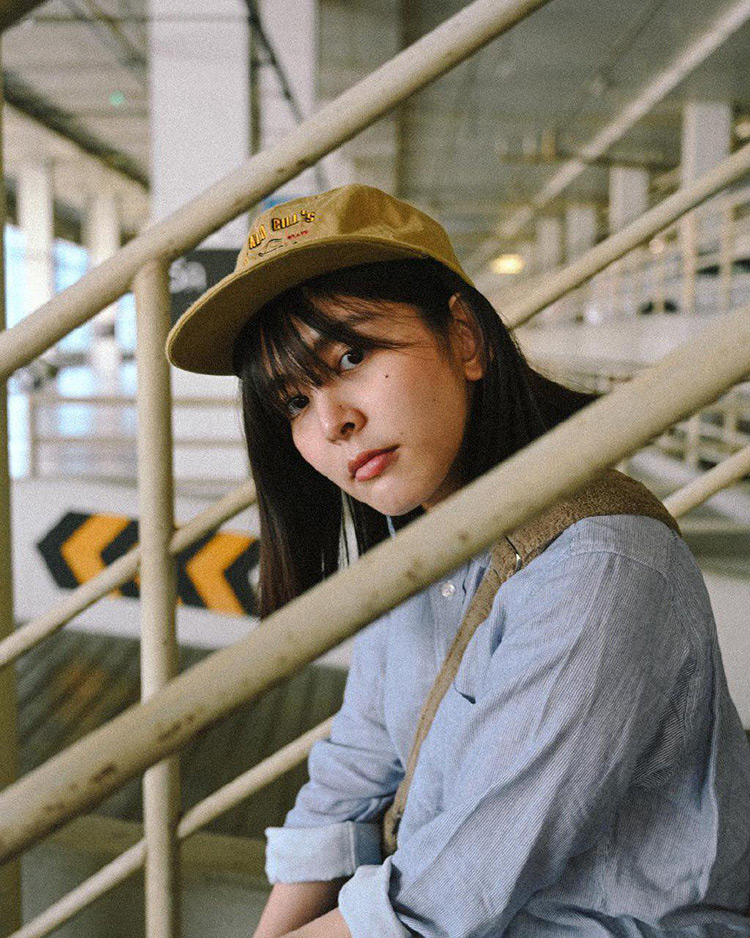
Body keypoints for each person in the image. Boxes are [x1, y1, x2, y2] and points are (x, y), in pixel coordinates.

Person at [166, 184, 750, 938]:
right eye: (293, 402)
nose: (332, 421)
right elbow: (356, 768)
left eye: (352, 355)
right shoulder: (421, 541)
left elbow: (454, 889)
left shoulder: (598, 565)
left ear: (466, 339)